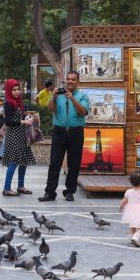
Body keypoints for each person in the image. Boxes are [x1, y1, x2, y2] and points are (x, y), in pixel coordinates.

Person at [38, 71, 90, 202]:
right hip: (59, 131)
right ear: (65, 81)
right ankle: (50, 192)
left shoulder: (82, 96)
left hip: (76, 132)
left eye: (73, 79)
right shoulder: (58, 95)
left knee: (74, 163)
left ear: (77, 82)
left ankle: (69, 192)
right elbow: (50, 108)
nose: (70, 81)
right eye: (68, 79)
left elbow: (82, 112)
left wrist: (72, 98)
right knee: (54, 163)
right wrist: (54, 97)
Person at [1, 79, 35, 196]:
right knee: (14, 161)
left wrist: (27, 117)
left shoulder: (18, 102)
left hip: (21, 135)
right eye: (13, 90)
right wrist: (23, 122)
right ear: (9, 91)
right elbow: (9, 121)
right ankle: (7, 188)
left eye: (18, 89)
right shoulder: (9, 103)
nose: (16, 92)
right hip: (14, 135)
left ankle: (21, 186)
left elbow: (17, 117)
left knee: (23, 161)